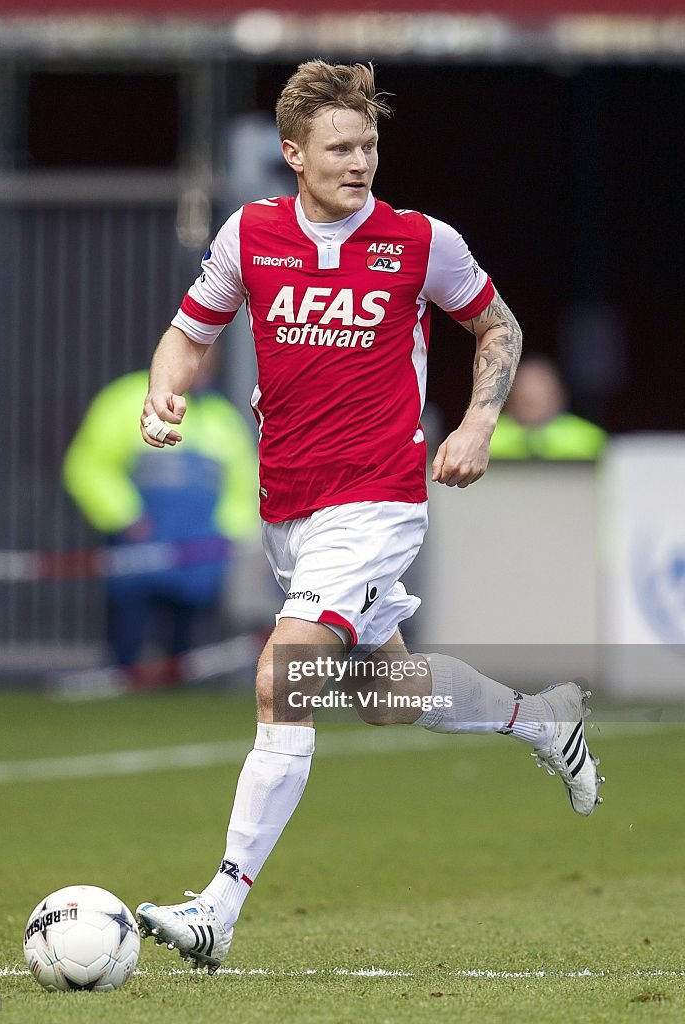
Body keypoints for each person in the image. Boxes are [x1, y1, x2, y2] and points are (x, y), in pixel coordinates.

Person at [134, 60, 605, 973]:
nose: (360, 163)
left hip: (378, 498)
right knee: (390, 697)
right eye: (341, 148)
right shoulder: (251, 234)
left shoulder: (421, 241)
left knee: (286, 673)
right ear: (293, 154)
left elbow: (497, 325)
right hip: (291, 509)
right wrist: (163, 394)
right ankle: (542, 720)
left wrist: (476, 422)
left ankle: (219, 907)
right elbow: (191, 331)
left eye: (371, 146)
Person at [62, 349, 257, 671]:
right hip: (139, 543)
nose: (199, 371)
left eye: (206, 364)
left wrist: (226, 535)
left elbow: (245, 484)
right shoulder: (126, 399)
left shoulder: (223, 418)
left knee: (183, 648)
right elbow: (88, 464)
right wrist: (126, 517)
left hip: (198, 555)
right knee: (128, 634)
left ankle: (175, 706)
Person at [490, 355, 607, 460]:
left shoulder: (589, 437)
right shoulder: (487, 435)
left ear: (558, 394)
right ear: (509, 395)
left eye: (540, 387)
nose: (531, 395)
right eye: (524, 388)